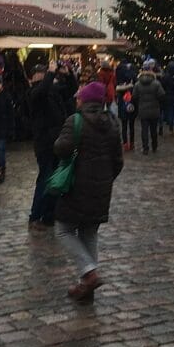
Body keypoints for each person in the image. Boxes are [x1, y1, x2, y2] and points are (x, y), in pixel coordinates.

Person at [53, 80, 123, 302]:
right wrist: (104, 179)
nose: (76, 99)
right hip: (102, 188)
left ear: (84, 100)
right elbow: (118, 161)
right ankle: (86, 289)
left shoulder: (76, 121)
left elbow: (60, 149)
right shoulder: (112, 122)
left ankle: (89, 273)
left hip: (76, 186)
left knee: (63, 229)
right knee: (89, 232)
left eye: (79, 96)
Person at [27, 62, 67, 230]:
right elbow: (41, 92)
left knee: (55, 179)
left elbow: (67, 90)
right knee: (45, 178)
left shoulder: (51, 91)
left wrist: (67, 74)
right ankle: (35, 215)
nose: (43, 75)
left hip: (57, 141)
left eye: (44, 72)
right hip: (44, 142)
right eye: (40, 73)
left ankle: (50, 215)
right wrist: (50, 74)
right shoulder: (33, 92)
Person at [131, 61, 165, 155]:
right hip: (154, 110)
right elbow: (162, 95)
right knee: (154, 130)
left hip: (142, 109)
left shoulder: (138, 84)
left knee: (144, 130)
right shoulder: (156, 83)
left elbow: (134, 97)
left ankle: (145, 147)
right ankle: (154, 145)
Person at [160, 61, 174, 136]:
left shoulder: (165, 77)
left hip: (168, 97)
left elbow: (162, 86)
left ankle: (170, 129)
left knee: (170, 113)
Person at [116, 76, 137, 151]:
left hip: (122, 110)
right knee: (132, 127)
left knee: (124, 127)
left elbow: (118, 101)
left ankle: (125, 144)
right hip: (132, 110)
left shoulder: (119, 89)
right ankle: (132, 143)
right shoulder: (133, 88)